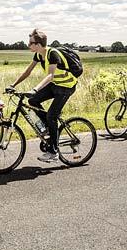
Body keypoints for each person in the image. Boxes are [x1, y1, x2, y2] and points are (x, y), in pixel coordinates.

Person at [7, 29, 78, 163]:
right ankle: (49, 129)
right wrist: (13, 84)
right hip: (56, 84)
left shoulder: (52, 54)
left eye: (31, 43)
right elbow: (28, 71)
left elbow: (50, 75)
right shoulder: (39, 55)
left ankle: (54, 152)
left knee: (51, 115)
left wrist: (35, 88)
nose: (29, 45)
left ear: (38, 44)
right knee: (33, 101)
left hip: (66, 86)